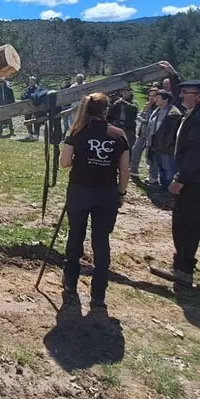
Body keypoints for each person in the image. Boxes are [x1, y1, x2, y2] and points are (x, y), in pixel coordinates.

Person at [151, 79, 200, 288]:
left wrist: (180, 179)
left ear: (199, 96)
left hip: (196, 180)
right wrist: (171, 73)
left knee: (185, 224)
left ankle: (183, 269)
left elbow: (197, 153)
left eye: (185, 92)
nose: (181, 95)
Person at [59, 92, 130, 314]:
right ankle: (98, 293)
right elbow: (125, 169)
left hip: (80, 191)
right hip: (106, 194)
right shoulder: (119, 135)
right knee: (101, 240)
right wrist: (121, 192)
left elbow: (64, 163)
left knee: (76, 235)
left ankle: (70, 281)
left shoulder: (77, 132)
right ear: (106, 110)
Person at [149, 90, 182, 189]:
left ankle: (168, 186)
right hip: (156, 142)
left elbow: (172, 132)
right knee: (160, 165)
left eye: (158, 97)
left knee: (168, 167)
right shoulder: (158, 110)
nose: (155, 99)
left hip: (166, 145)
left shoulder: (173, 113)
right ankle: (162, 184)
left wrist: (168, 143)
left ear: (166, 99)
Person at [130, 87, 160, 183]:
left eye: (154, 96)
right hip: (142, 133)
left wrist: (147, 117)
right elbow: (139, 115)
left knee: (151, 157)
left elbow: (152, 119)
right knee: (135, 151)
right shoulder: (147, 105)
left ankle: (153, 177)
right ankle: (133, 171)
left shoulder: (159, 107)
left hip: (153, 136)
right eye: (150, 95)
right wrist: (142, 120)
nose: (151, 98)